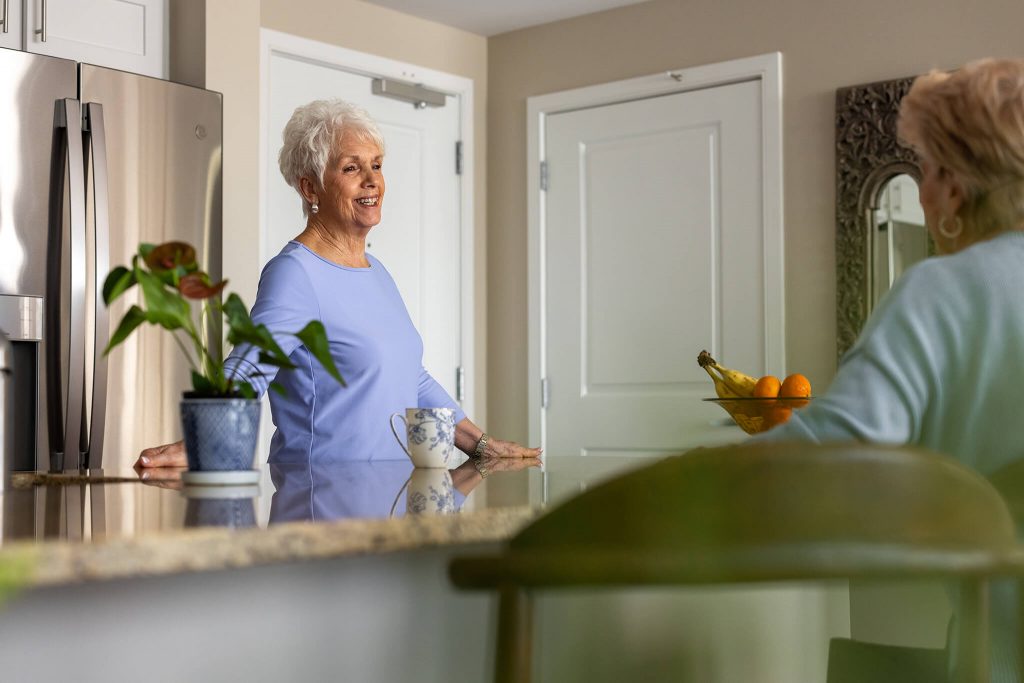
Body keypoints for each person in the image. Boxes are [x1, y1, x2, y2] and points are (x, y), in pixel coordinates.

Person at [754, 58, 1024, 681]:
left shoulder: (945, 290)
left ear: (956, 186)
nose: (923, 190)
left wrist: (681, 473)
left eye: (927, 169)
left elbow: (837, 459)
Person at [137, 99, 540, 473]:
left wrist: (480, 444)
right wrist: (202, 438)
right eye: (351, 168)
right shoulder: (295, 273)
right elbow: (251, 365)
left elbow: (409, 377)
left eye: (377, 165)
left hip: (389, 501)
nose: (371, 181)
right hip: (323, 500)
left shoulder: (377, 272)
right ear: (310, 187)